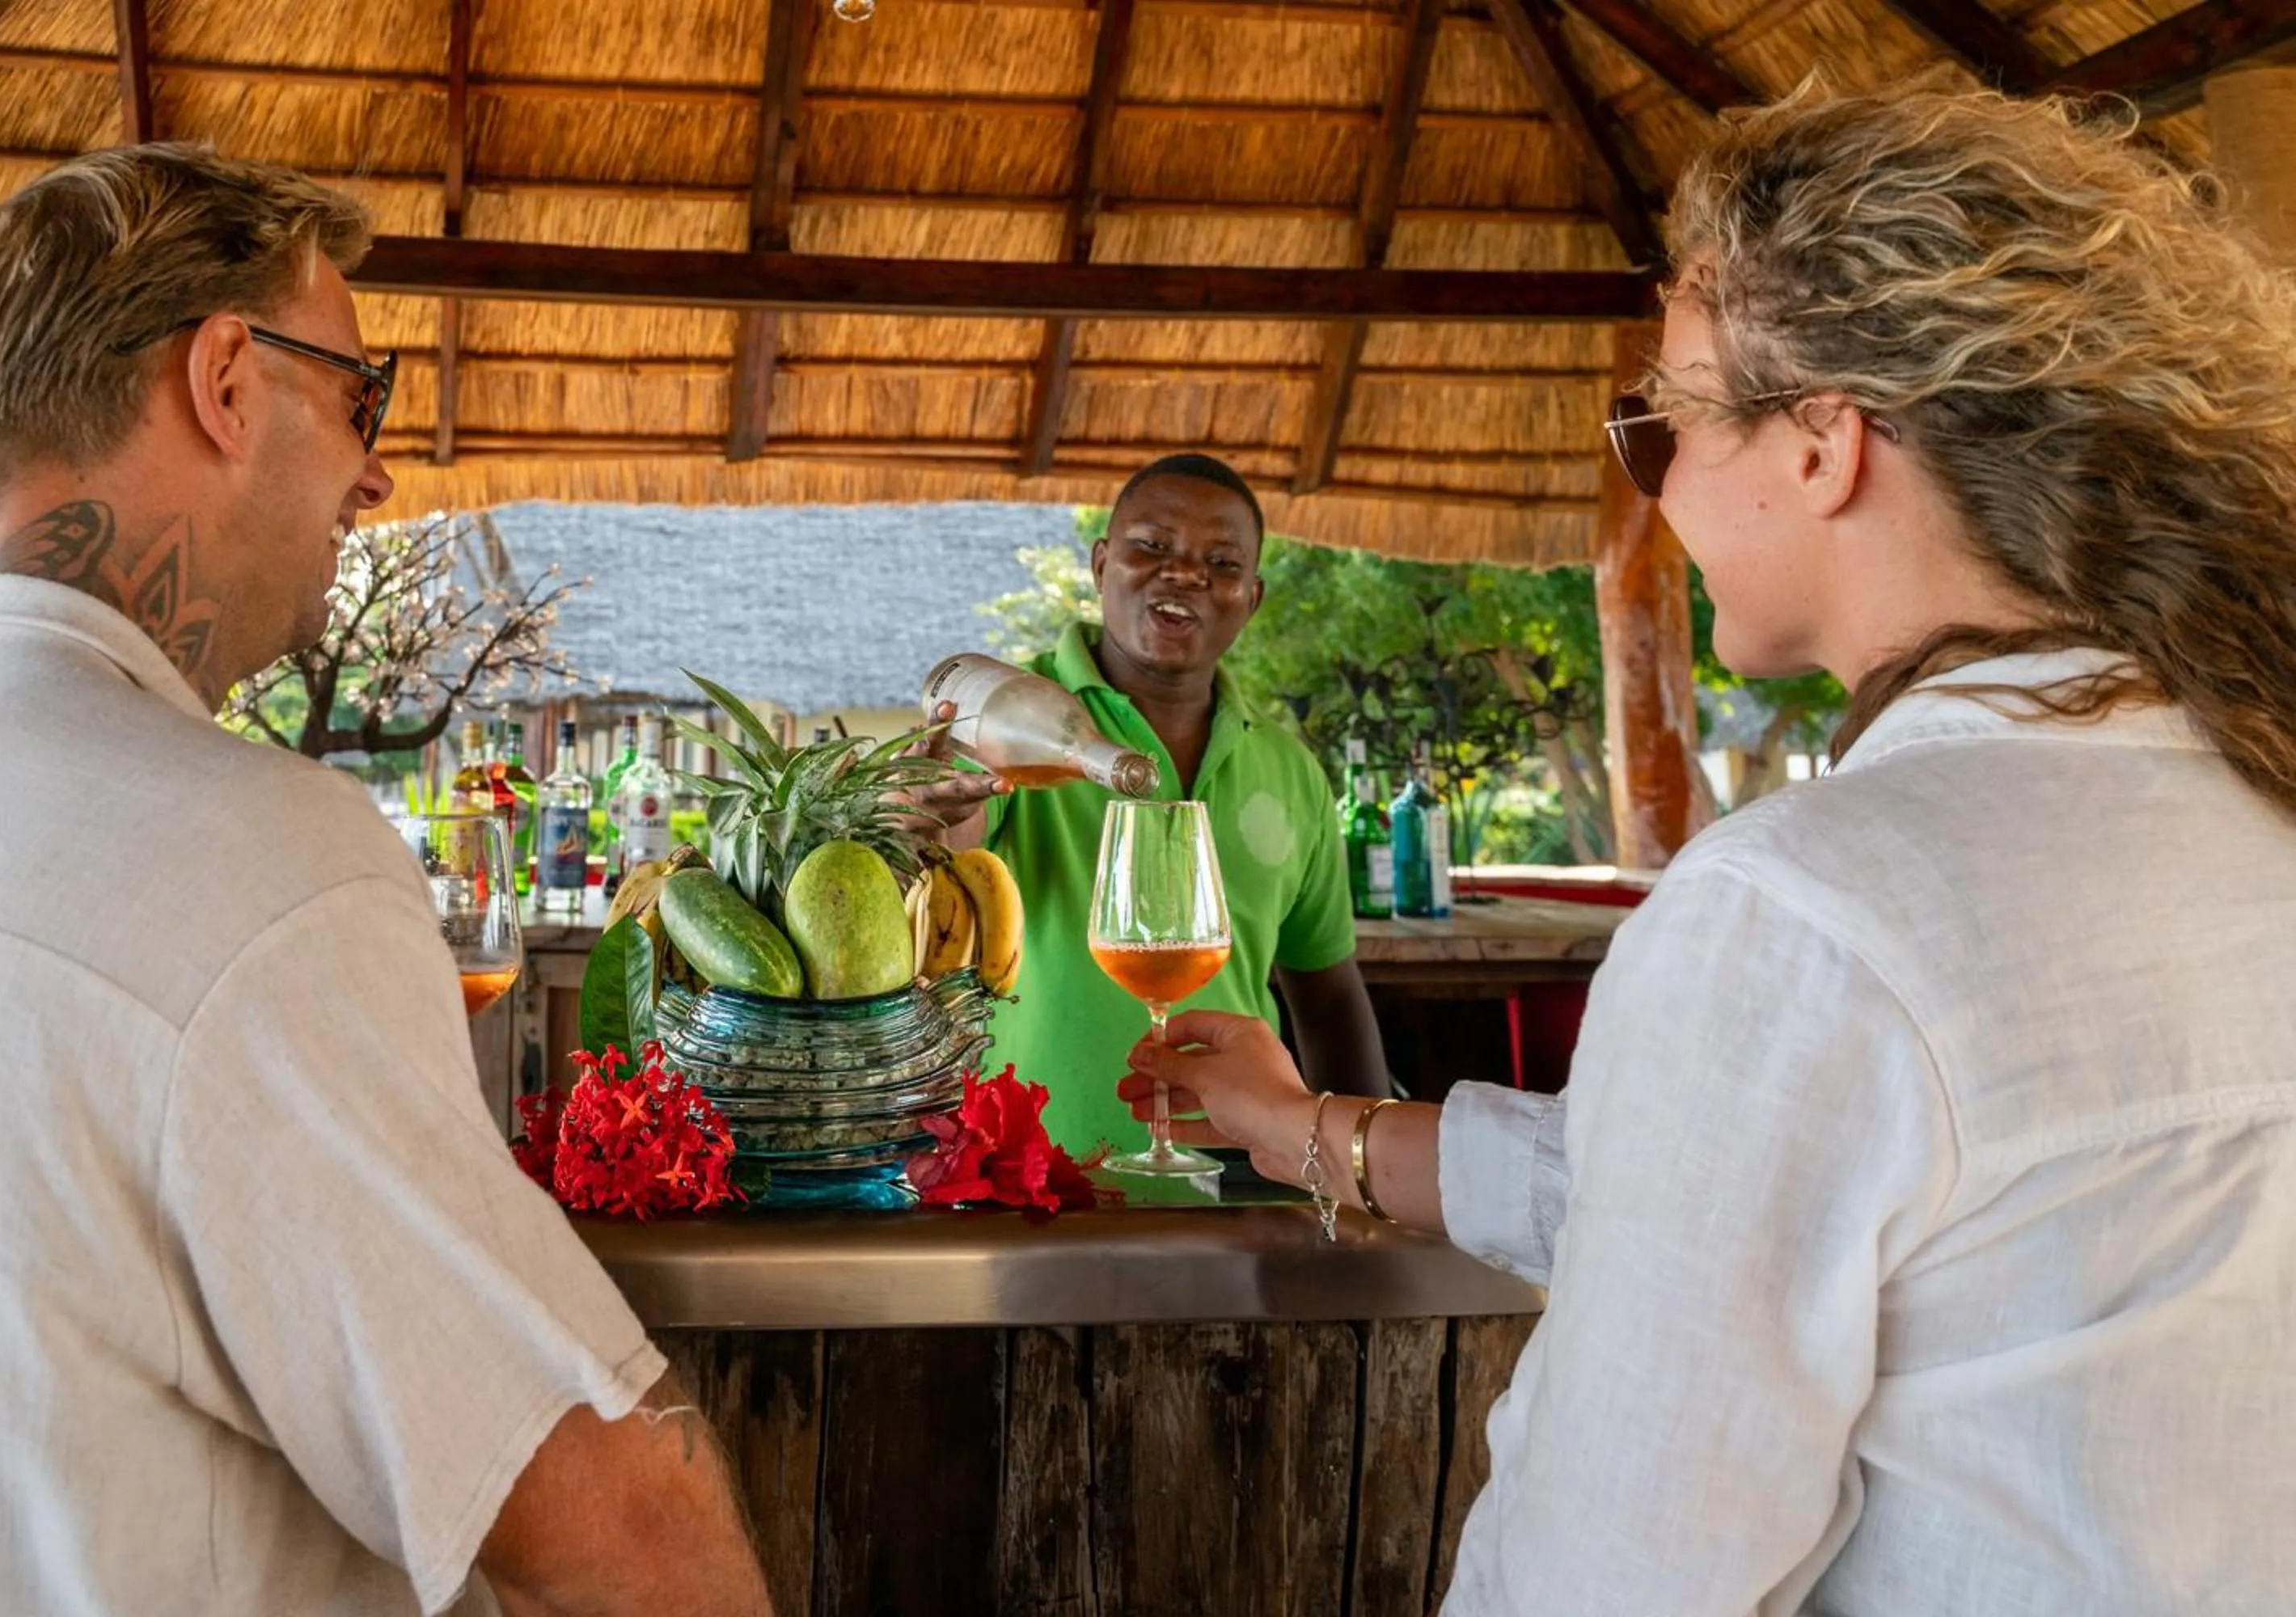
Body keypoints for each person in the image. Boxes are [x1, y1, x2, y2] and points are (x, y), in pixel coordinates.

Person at [1122, 74, 2296, 1615]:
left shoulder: (1809, 911)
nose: (1659, 481)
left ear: (1823, 443)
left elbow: (1610, 1574)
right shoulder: (2240, 801)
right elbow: (1770, 1197)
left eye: (1666, 417)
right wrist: (1303, 1132)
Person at [0, 146, 769, 1615]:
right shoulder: (252, 867)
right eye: (364, 394)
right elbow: (620, 1527)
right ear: (226, 378)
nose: (375, 468)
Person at [911, 453, 1391, 1155]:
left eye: (1222, 563)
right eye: (1153, 547)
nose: (1185, 574)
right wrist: (936, 818)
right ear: (1102, 565)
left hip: (1246, 1182)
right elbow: (956, 832)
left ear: (1251, 600)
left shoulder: (1289, 770)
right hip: (1035, 1181)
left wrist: (1360, 1174)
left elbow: (1328, 995)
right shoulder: (1006, 726)